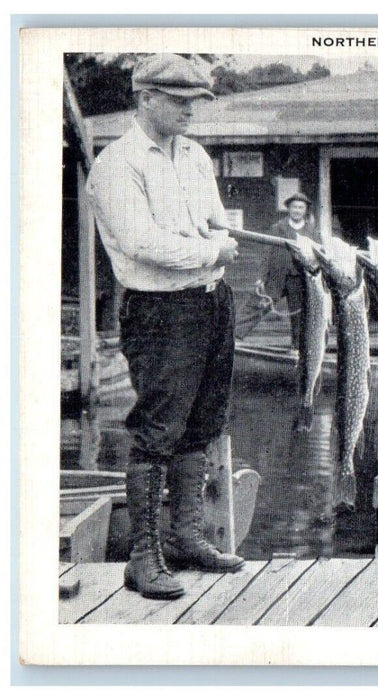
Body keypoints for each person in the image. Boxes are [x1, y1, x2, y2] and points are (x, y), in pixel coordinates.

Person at [87, 54, 245, 600]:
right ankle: (142, 557)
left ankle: (186, 538)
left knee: (202, 423)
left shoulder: (195, 156)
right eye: (180, 102)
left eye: (196, 102)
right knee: (158, 432)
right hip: (159, 312)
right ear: (146, 98)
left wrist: (215, 236)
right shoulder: (116, 164)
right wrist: (211, 248)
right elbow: (141, 244)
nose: (191, 113)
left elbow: (212, 218)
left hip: (211, 302)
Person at [237, 192, 321, 346]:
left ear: (305, 210)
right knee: (258, 303)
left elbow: (317, 257)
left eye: (300, 207)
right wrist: (261, 276)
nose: (297, 210)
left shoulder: (312, 232)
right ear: (288, 209)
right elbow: (266, 253)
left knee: (300, 314)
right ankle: (236, 336)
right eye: (294, 207)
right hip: (276, 275)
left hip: (300, 278)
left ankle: (298, 347)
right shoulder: (277, 228)